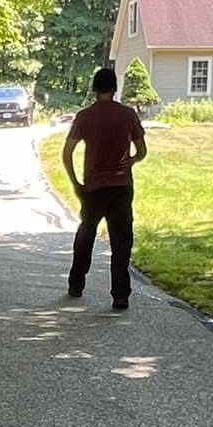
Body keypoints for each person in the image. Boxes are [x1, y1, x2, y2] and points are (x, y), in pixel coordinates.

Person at [62, 65, 147, 310]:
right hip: (121, 187)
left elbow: (67, 152)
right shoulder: (129, 115)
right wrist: (129, 161)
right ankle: (120, 295)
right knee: (121, 242)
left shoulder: (85, 116)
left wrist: (76, 182)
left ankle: (76, 284)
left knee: (86, 235)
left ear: (94, 88)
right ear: (115, 88)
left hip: (94, 188)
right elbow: (142, 151)